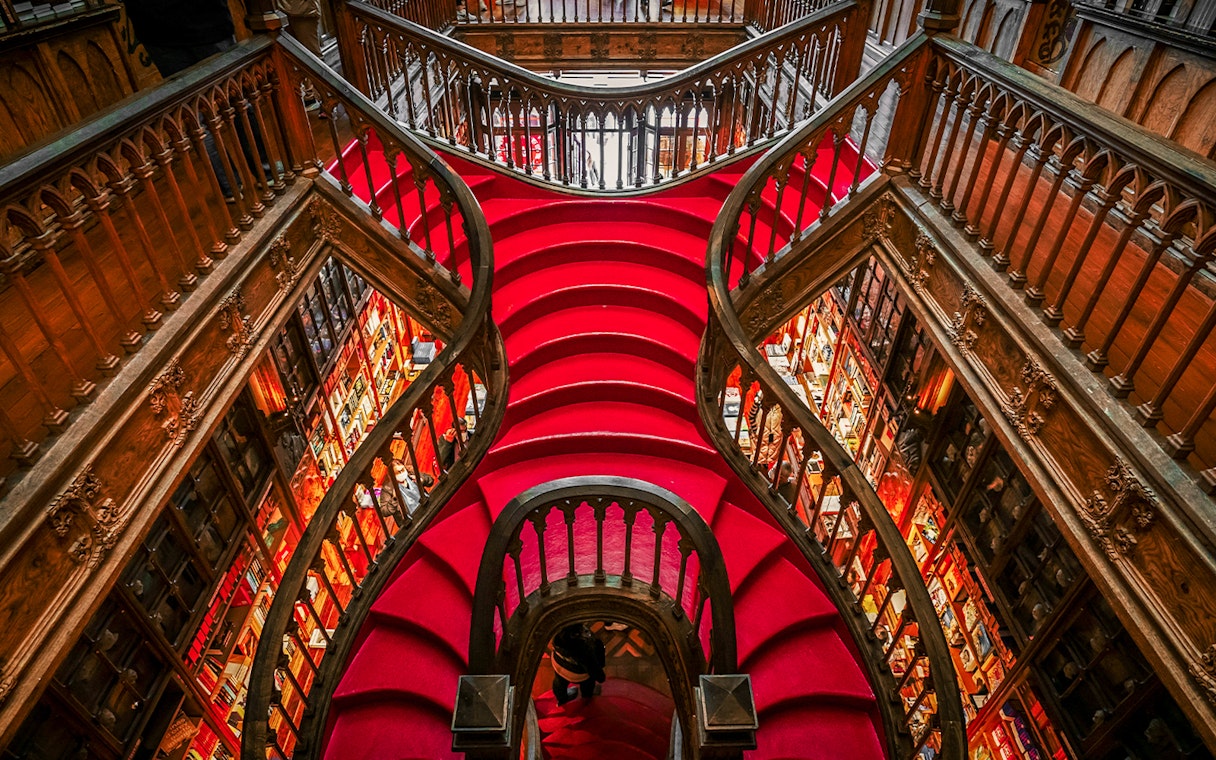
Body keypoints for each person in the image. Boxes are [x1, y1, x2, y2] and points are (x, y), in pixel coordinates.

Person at [551, 623, 606, 706]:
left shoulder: (558, 638)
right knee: (588, 684)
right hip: (578, 674)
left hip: (558, 665)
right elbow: (595, 671)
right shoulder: (583, 649)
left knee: (559, 683)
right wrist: (601, 677)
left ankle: (562, 699)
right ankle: (586, 699)